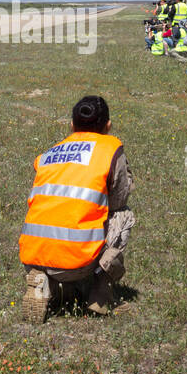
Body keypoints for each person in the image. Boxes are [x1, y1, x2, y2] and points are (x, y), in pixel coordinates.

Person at [20, 96, 134, 322]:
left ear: (72, 126)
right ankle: (100, 293)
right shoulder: (110, 148)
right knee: (124, 214)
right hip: (77, 262)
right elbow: (119, 198)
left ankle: (44, 281)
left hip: (33, 255)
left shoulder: (50, 153)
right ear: (108, 126)